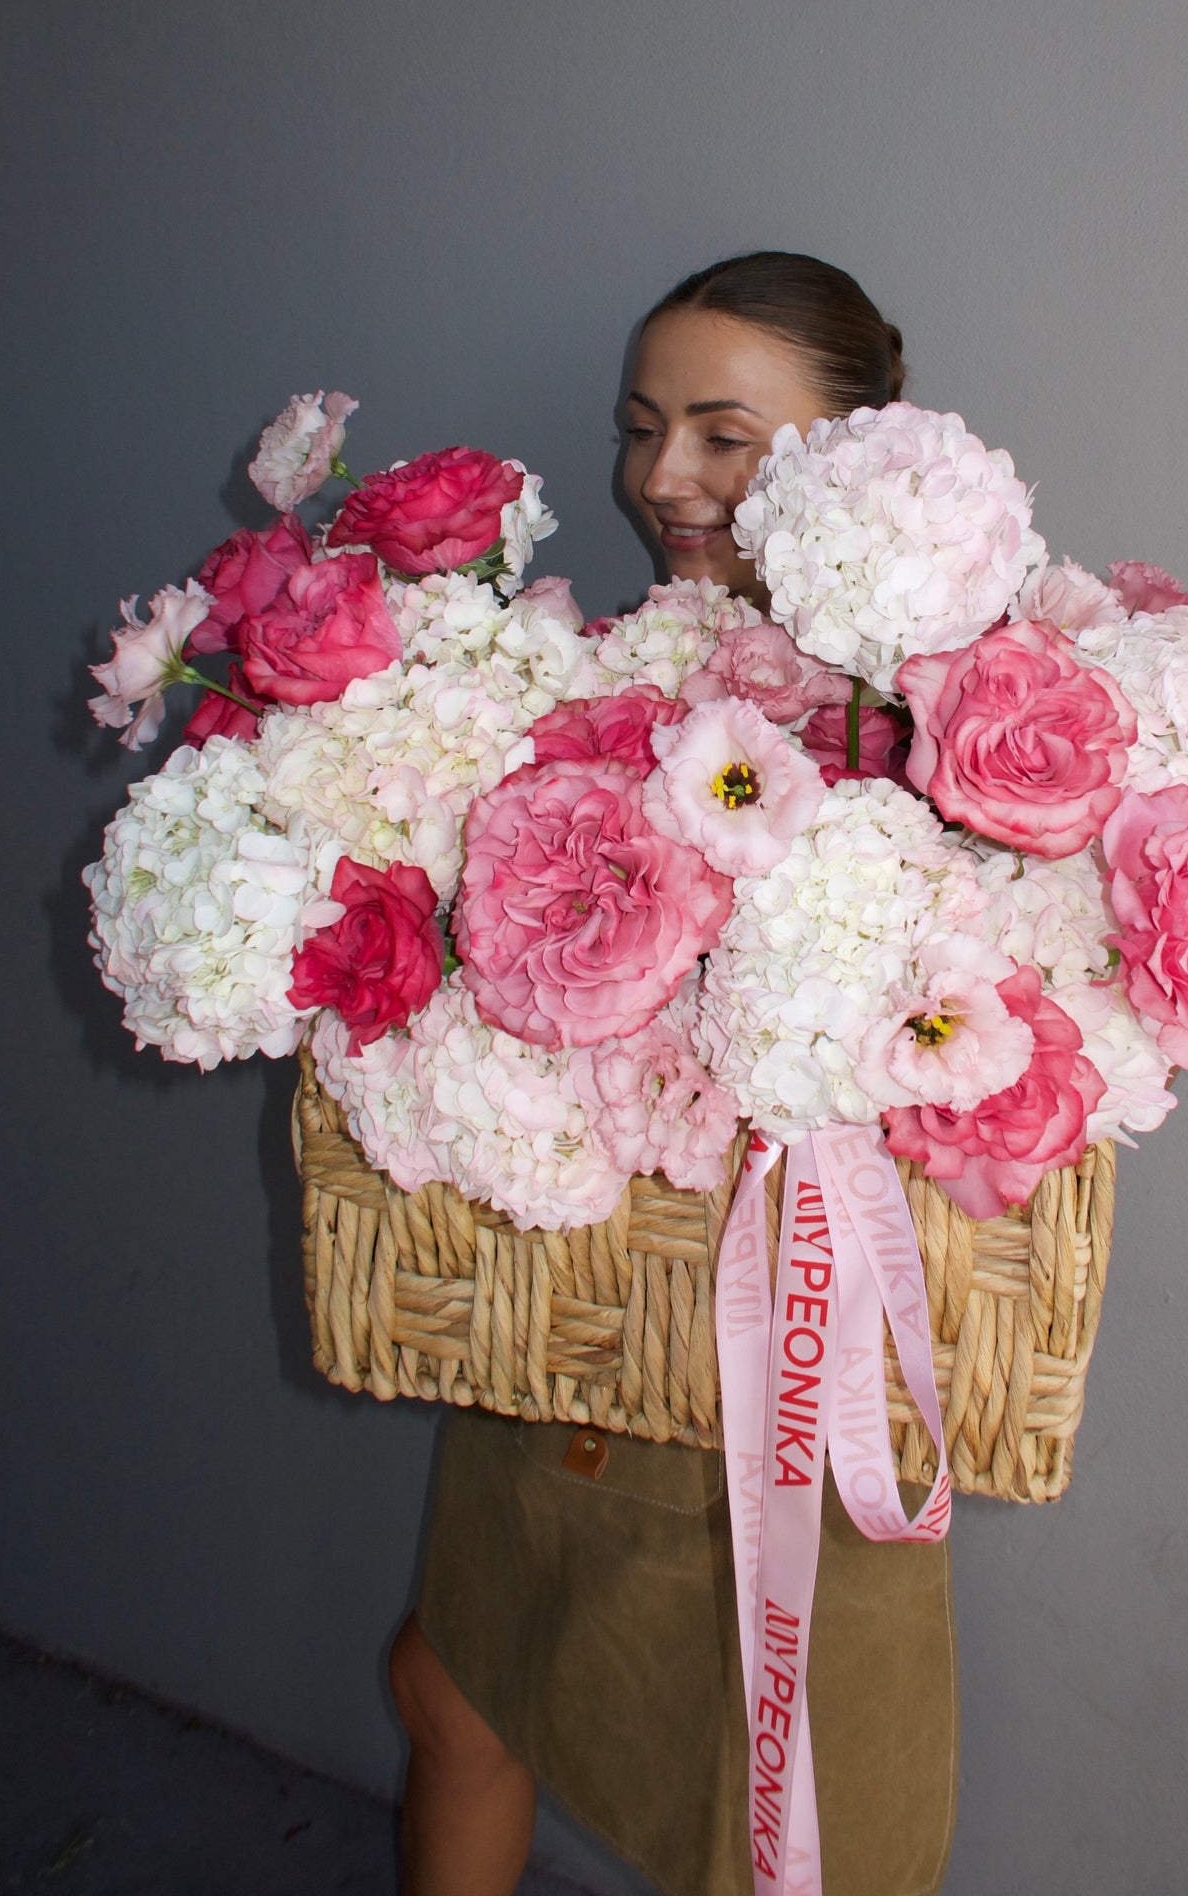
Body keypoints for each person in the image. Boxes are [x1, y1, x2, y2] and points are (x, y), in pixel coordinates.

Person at [388, 253, 956, 1896]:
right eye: (645, 429)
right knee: (458, 1689)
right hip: (584, 1293)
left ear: (860, 452)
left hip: (772, 1361)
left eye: (725, 433)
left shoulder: (928, 718)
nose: (662, 478)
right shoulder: (607, 672)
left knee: (785, 1813)